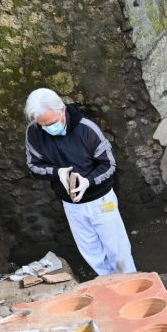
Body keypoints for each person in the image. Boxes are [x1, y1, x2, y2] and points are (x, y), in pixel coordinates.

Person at [24, 88, 136, 276]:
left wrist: (88, 182)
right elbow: (33, 165)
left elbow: (109, 164)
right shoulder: (34, 132)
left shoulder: (86, 129)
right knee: (91, 252)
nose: (48, 128)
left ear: (62, 110)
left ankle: (132, 284)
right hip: (72, 204)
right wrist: (56, 172)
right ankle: (110, 285)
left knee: (118, 250)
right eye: (42, 124)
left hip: (101, 200)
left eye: (51, 123)